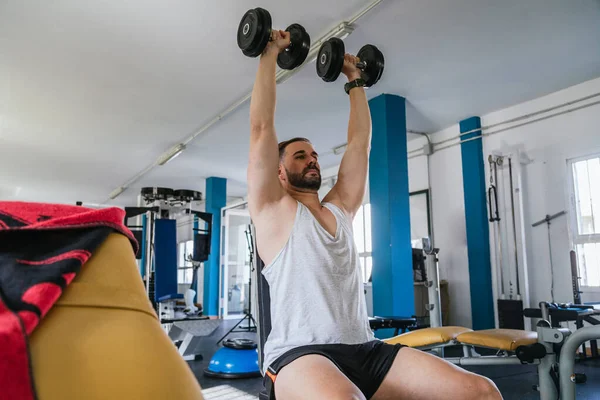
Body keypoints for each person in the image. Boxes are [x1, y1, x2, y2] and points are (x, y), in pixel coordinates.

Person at [247, 29, 503, 400]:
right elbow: (261, 130)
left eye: (315, 154)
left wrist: (355, 80)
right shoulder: (274, 212)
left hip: (364, 348)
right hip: (300, 354)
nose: (313, 159)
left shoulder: (339, 208)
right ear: (280, 173)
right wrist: (269, 53)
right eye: (300, 156)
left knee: (481, 391)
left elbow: (359, 144)